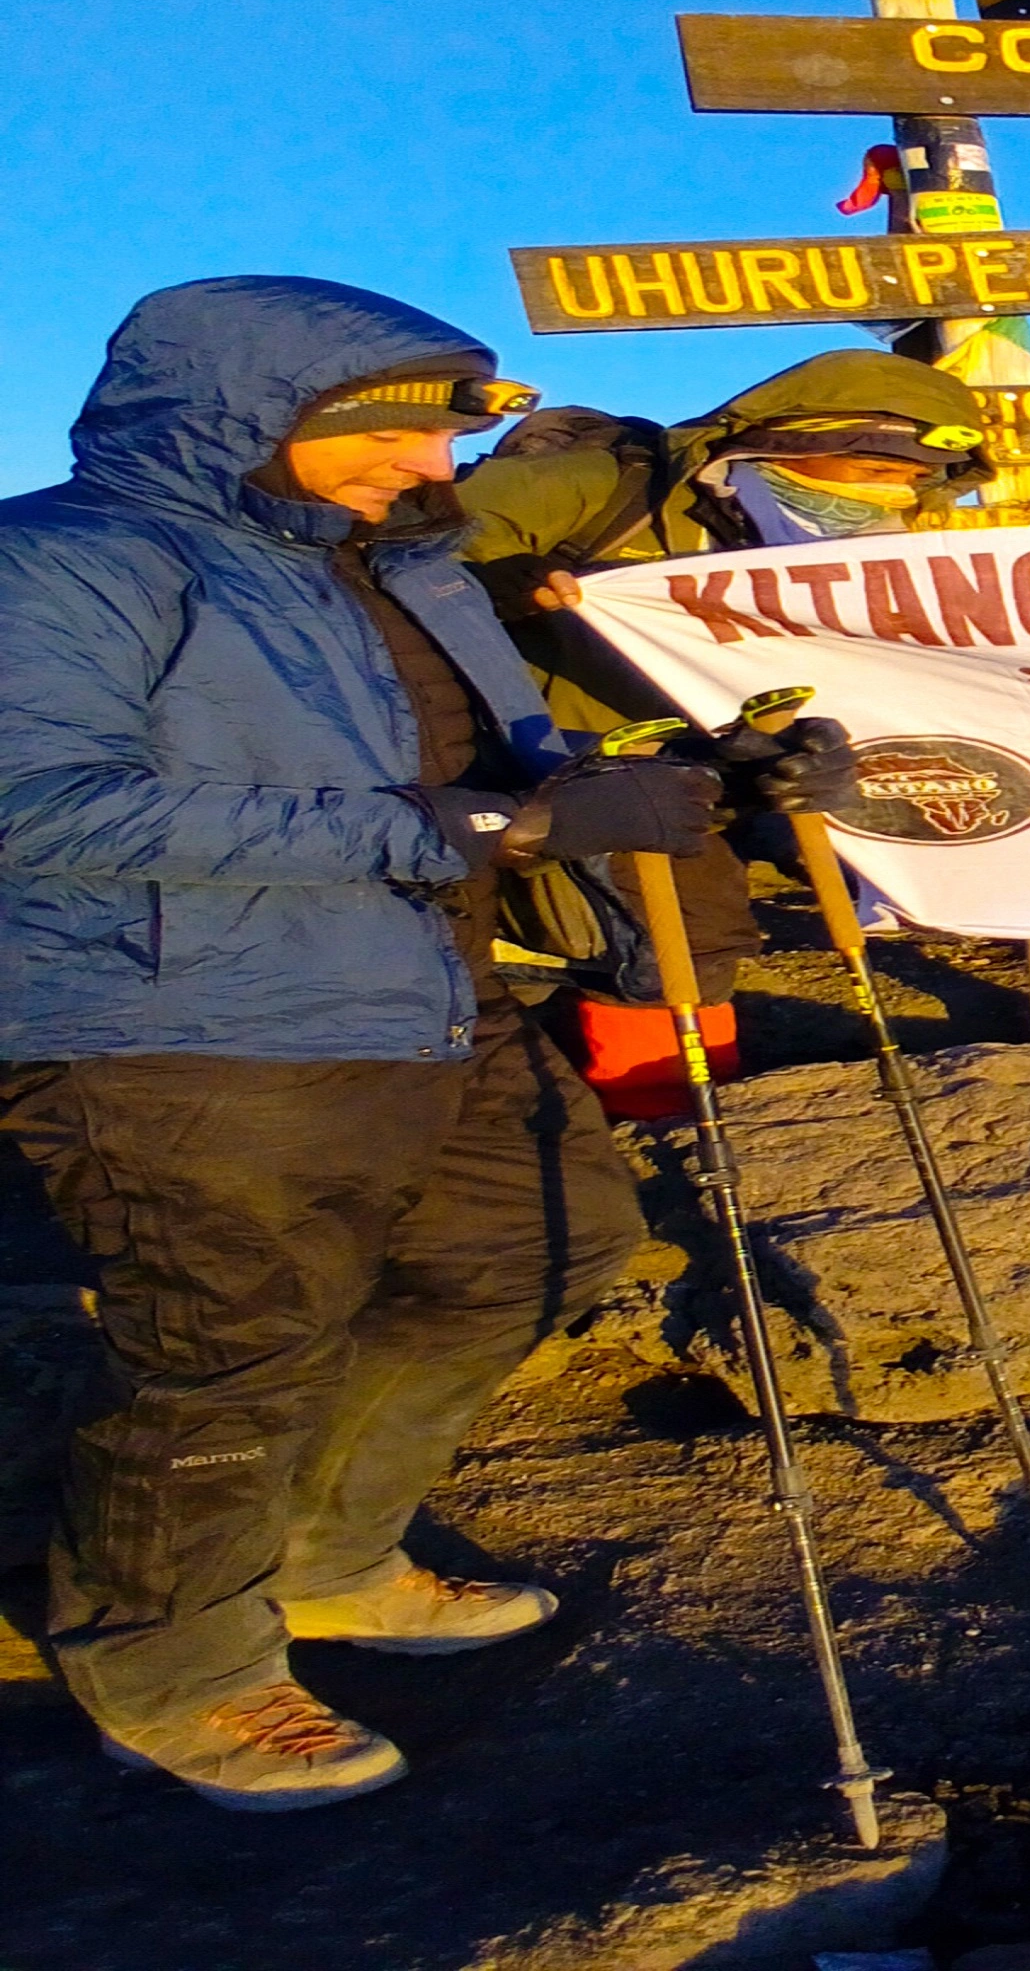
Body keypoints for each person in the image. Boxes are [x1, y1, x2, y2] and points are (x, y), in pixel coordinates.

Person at [0, 278, 739, 1809]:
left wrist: (683, 773)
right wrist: (482, 825)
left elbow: (486, 759)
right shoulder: (66, 561)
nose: (433, 468)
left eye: (446, 435)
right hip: (179, 1019)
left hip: (430, 985)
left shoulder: (406, 567)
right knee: (228, 1354)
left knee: (538, 1252)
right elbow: (37, 805)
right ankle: (170, 1664)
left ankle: (328, 1558)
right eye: (391, 436)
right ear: (252, 418)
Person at [453, 350, 990, 1111]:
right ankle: (664, 1109)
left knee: (687, 926)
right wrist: (487, 587)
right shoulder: (602, 490)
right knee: (683, 938)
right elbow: (395, 550)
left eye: (911, 480)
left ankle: (667, 1102)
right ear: (793, 442)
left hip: (720, 756)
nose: (896, 494)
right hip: (563, 749)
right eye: (874, 471)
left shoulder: (843, 546)